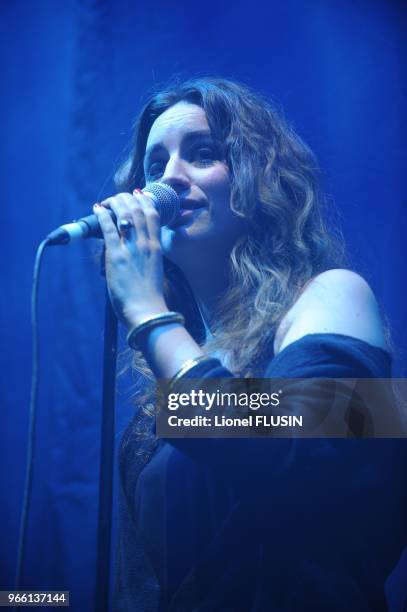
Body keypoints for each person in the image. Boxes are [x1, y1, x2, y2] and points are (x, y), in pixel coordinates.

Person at [93, 78, 406, 611]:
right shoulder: (171, 383)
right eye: (154, 166)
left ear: (259, 178)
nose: (170, 179)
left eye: (203, 153)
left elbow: (293, 454)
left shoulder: (336, 296)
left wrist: (148, 316)